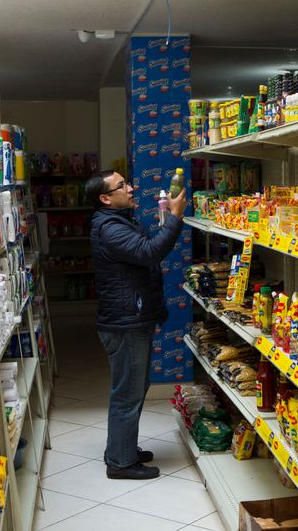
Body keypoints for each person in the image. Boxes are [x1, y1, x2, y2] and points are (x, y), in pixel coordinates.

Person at [85, 170, 187, 479]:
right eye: (122, 186)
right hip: (126, 323)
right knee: (128, 393)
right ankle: (121, 463)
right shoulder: (110, 228)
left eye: (127, 182)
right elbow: (149, 253)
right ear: (105, 198)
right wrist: (175, 217)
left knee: (133, 388)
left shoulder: (118, 221)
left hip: (130, 317)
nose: (131, 189)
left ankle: (121, 448)